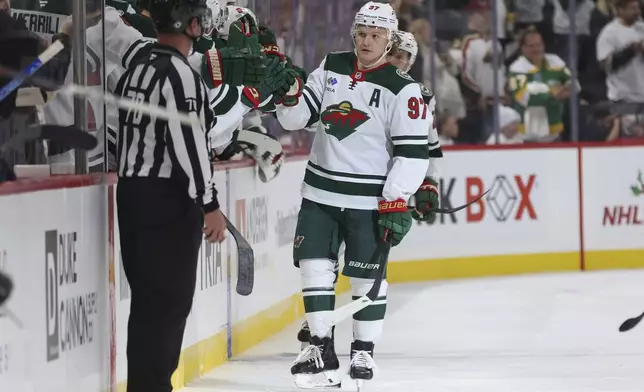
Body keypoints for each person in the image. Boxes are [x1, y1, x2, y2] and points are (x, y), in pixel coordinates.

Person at [274, 2, 430, 389]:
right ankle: (321, 346)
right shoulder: (331, 65)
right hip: (320, 191)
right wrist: (288, 92)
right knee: (313, 267)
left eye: (376, 35)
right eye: (362, 33)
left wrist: (397, 197)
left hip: (368, 200)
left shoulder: (404, 88)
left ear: (389, 39)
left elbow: (413, 152)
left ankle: (363, 352)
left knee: (365, 283)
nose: (367, 41)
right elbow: (296, 119)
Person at [294, 29, 442, 355]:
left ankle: (349, 339)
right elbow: (317, 120)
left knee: (364, 267)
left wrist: (428, 183)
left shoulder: (415, 95)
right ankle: (321, 324)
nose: (398, 60)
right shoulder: (355, 80)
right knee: (322, 261)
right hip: (335, 187)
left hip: (378, 195)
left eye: (405, 56)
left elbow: (426, 147)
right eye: (396, 54)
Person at [114, 0, 227, 390]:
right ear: (192, 25)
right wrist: (209, 204)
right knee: (168, 305)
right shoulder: (180, 74)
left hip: (131, 196)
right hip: (166, 203)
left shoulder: (136, 69)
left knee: (146, 305)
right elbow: (189, 147)